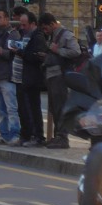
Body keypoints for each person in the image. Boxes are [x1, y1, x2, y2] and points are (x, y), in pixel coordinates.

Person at [39, 11, 81, 148]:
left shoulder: (66, 35)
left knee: (60, 107)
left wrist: (58, 51)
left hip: (60, 76)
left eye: (45, 28)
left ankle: (63, 137)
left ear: (52, 24)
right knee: (54, 108)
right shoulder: (51, 36)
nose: (45, 31)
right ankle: (58, 135)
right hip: (51, 76)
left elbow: (76, 51)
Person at [0, 8, 21, 146]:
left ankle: (14, 134)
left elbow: (17, 53)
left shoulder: (12, 34)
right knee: (0, 108)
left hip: (7, 76)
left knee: (11, 107)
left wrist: (4, 52)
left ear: (6, 19)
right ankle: (4, 134)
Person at [14, 8, 46, 146]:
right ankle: (26, 135)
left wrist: (21, 52)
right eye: (20, 25)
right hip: (23, 78)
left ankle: (37, 136)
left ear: (33, 24)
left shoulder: (37, 37)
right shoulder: (24, 35)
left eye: (24, 25)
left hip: (32, 79)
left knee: (33, 108)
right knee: (24, 109)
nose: (22, 27)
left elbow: (37, 57)